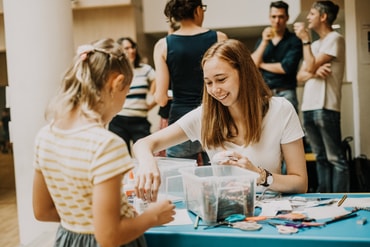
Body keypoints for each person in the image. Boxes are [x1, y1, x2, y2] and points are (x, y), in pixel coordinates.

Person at [32, 38, 175, 247]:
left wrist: (99, 218)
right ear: (116, 84)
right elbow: (109, 236)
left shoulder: (45, 135)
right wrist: (153, 216)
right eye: (125, 93)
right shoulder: (106, 144)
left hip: (68, 239)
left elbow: (42, 211)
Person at [133, 39, 308, 203]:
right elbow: (143, 144)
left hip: (271, 210)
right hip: (225, 210)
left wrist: (258, 174)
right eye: (208, 83)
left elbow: (300, 183)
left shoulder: (281, 109)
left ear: (244, 73)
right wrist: (148, 163)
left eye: (221, 79)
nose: (215, 90)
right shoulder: (204, 116)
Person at [153, 0, 228, 164]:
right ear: (198, 10)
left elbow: (161, 98)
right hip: (215, 119)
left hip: (181, 123)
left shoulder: (163, 45)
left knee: (181, 184)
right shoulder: (219, 38)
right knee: (222, 178)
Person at [294, 1, 347, 193]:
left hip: (326, 107)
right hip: (308, 107)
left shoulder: (335, 38)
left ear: (323, 17)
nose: (308, 17)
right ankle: (325, 200)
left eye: (312, 13)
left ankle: (342, 200)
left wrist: (305, 42)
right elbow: (300, 76)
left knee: (336, 159)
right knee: (320, 157)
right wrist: (314, 72)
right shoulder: (315, 45)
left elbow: (307, 67)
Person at [251, 1, 302, 113]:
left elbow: (285, 68)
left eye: (281, 17)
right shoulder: (262, 40)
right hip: (264, 93)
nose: (277, 21)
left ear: (287, 18)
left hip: (286, 92)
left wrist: (262, 64)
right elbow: (252, 65)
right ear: (269, 17)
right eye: (274, 17)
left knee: (289, 128)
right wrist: (264, 41)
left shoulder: (295, 40)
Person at [108, 37, 156, 155]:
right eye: (127, 48)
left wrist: (150, 104)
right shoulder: (115, 71)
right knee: (121, 156)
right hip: (118, 121)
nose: (131, 51)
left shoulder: (145, 69)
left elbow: (159, 86)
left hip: (140, 121)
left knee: (145, 154)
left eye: (132, 47)